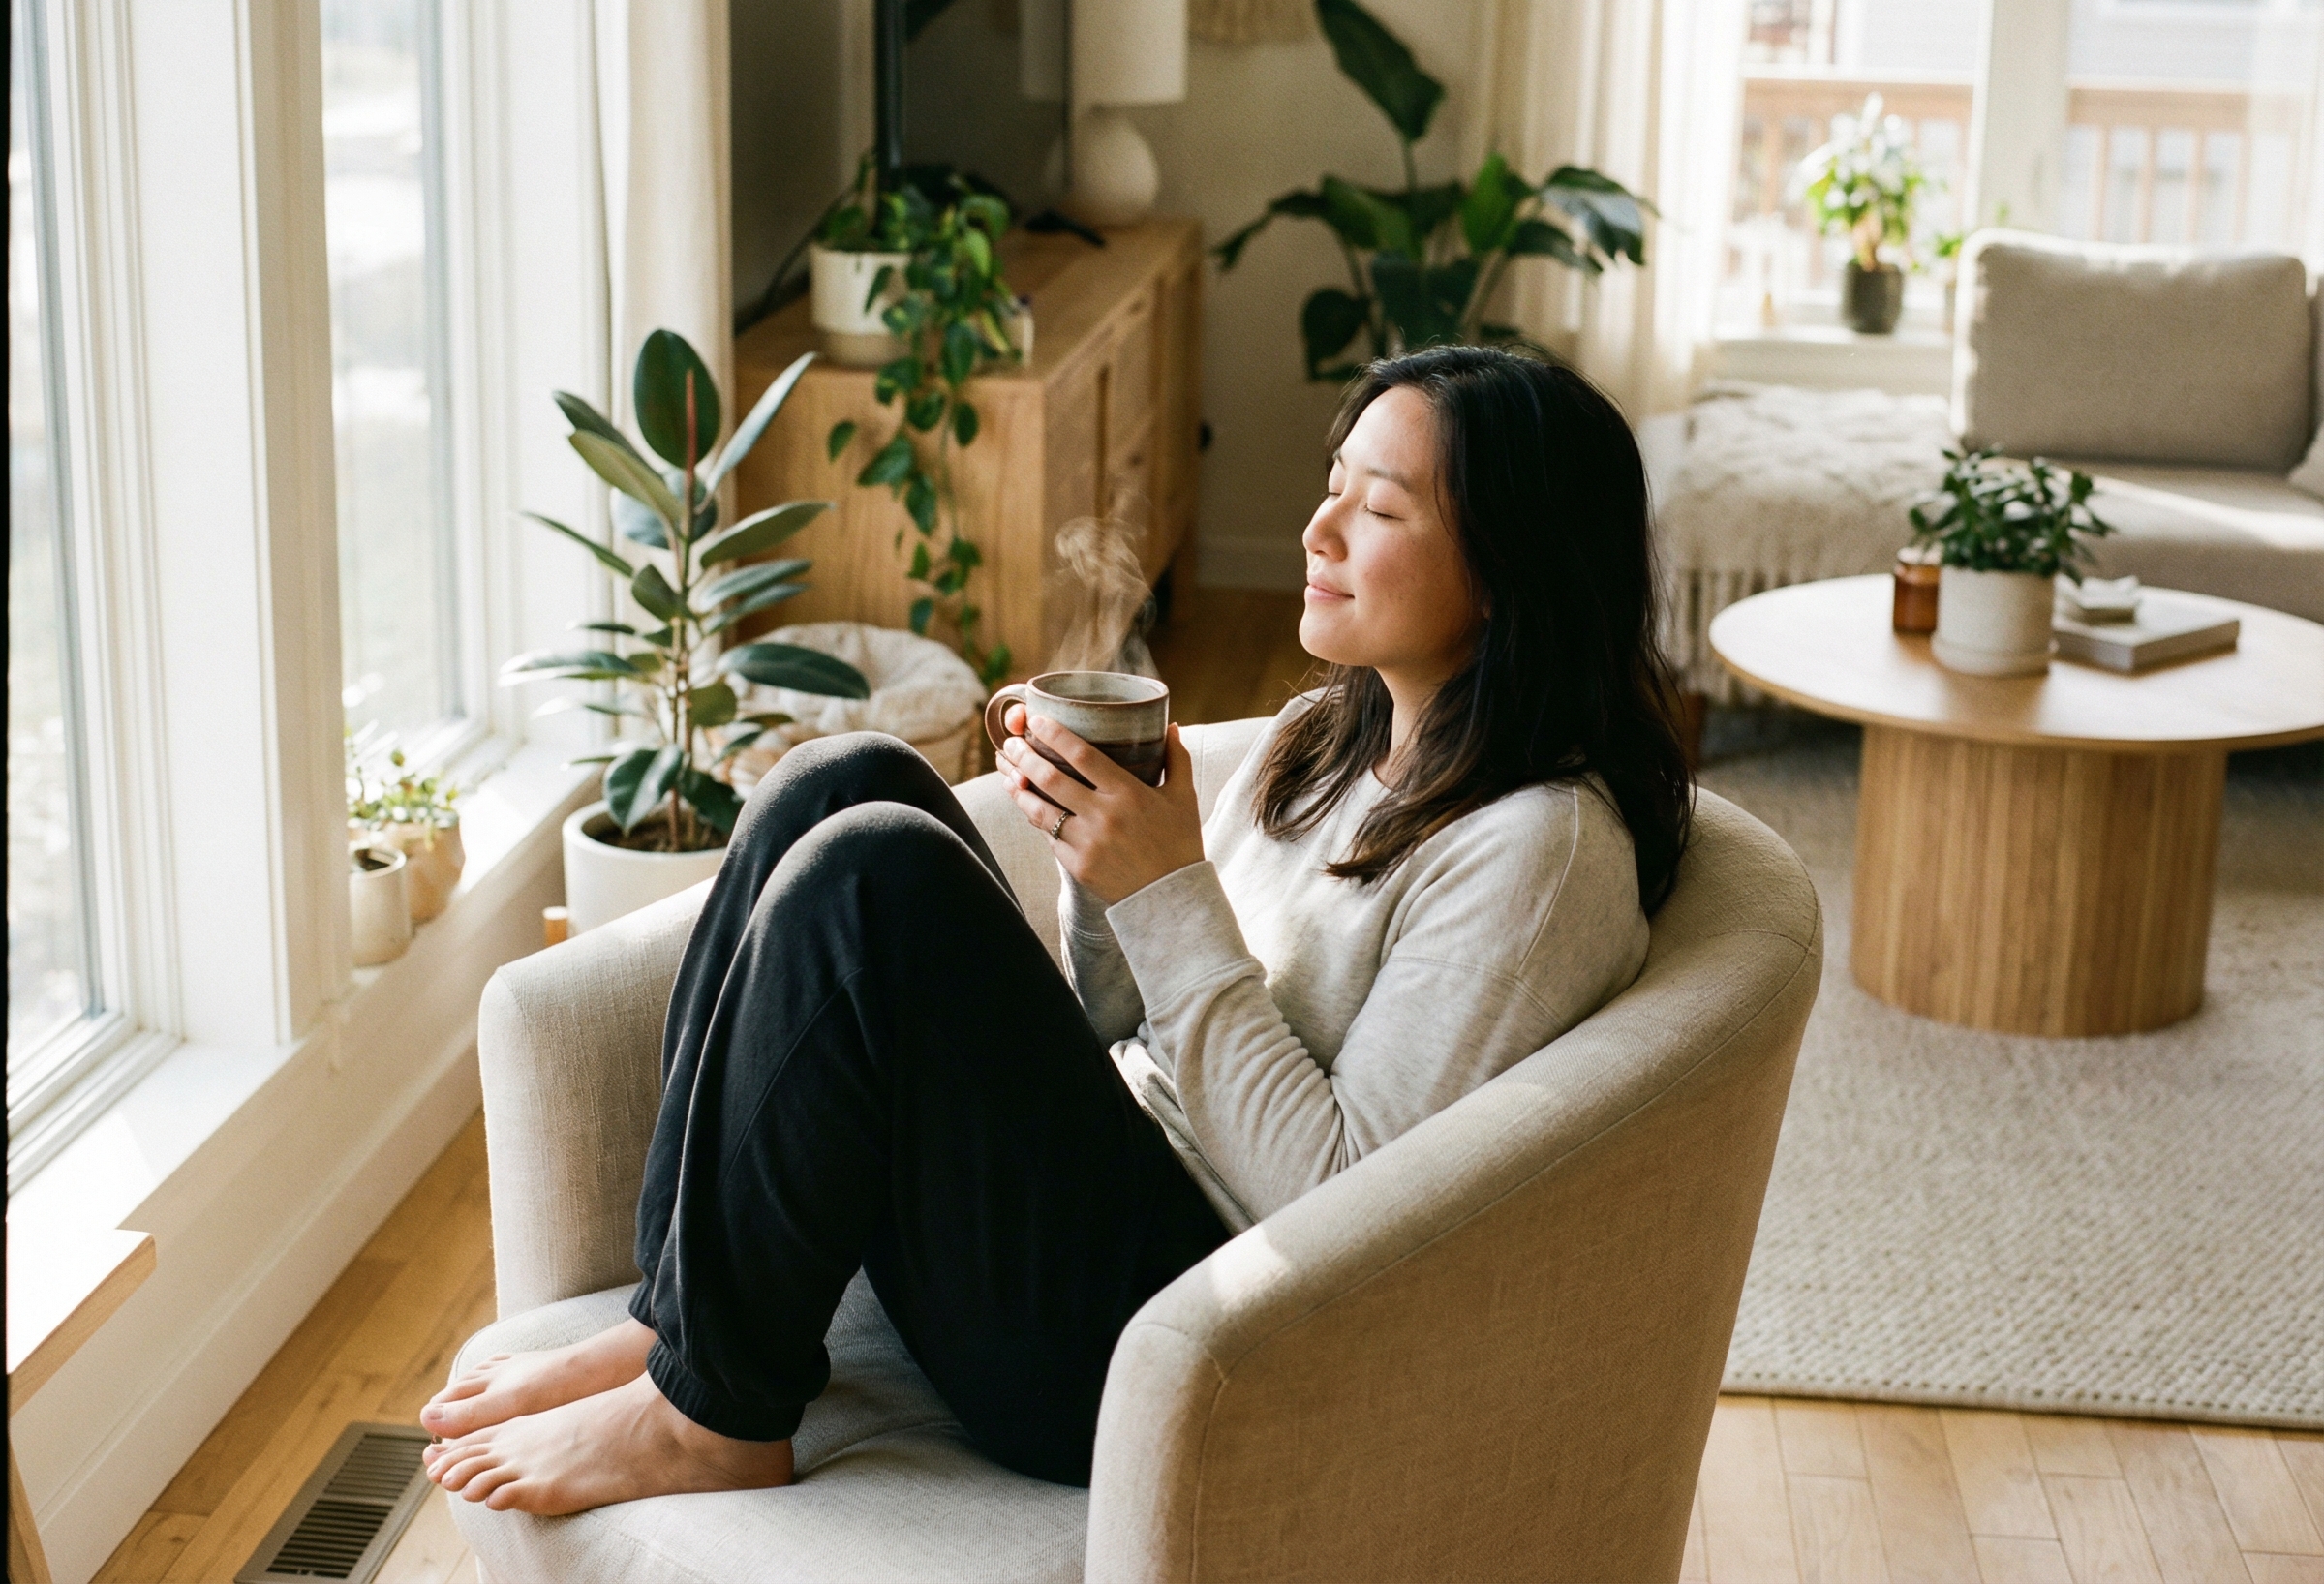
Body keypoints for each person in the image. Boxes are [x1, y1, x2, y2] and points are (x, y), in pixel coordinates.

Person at [419, 344, 1694, 1514]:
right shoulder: (1336, 738)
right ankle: (686, 1322)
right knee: (840, 780)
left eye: (1381, 508)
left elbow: (1345, 1209)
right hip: (1118, 1213)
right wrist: (1101, 853)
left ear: (1509, 570)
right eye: (1333, 482)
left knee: (875, 881)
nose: (1315, 530)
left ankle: (715, 1417)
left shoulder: (1536, 852)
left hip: (1195, 1336)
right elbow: (1122, 1023)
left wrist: (1163, 888)